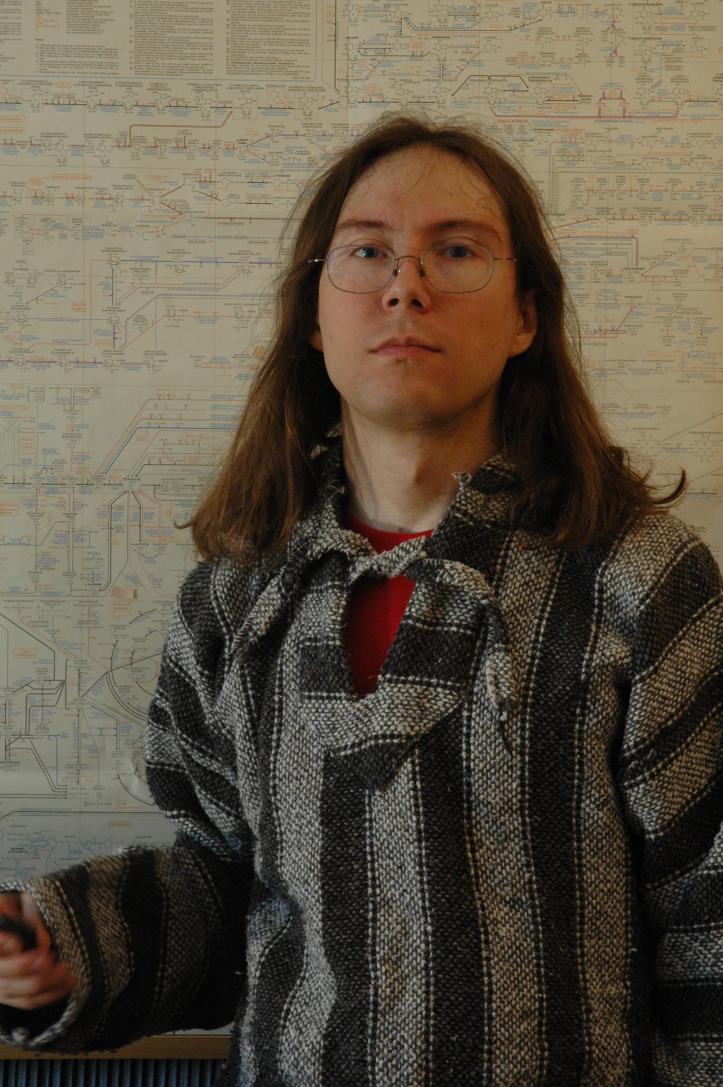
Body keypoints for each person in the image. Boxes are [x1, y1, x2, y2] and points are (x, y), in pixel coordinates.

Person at [0, 114, 721, 1085]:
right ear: (314, 315)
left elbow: (709, 915)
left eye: (455, 251)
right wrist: (70, 946)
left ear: (525, 316)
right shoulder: (232, 601)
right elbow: (220, 887)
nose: (405, 286)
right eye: (368, 250)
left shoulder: (641, 582)